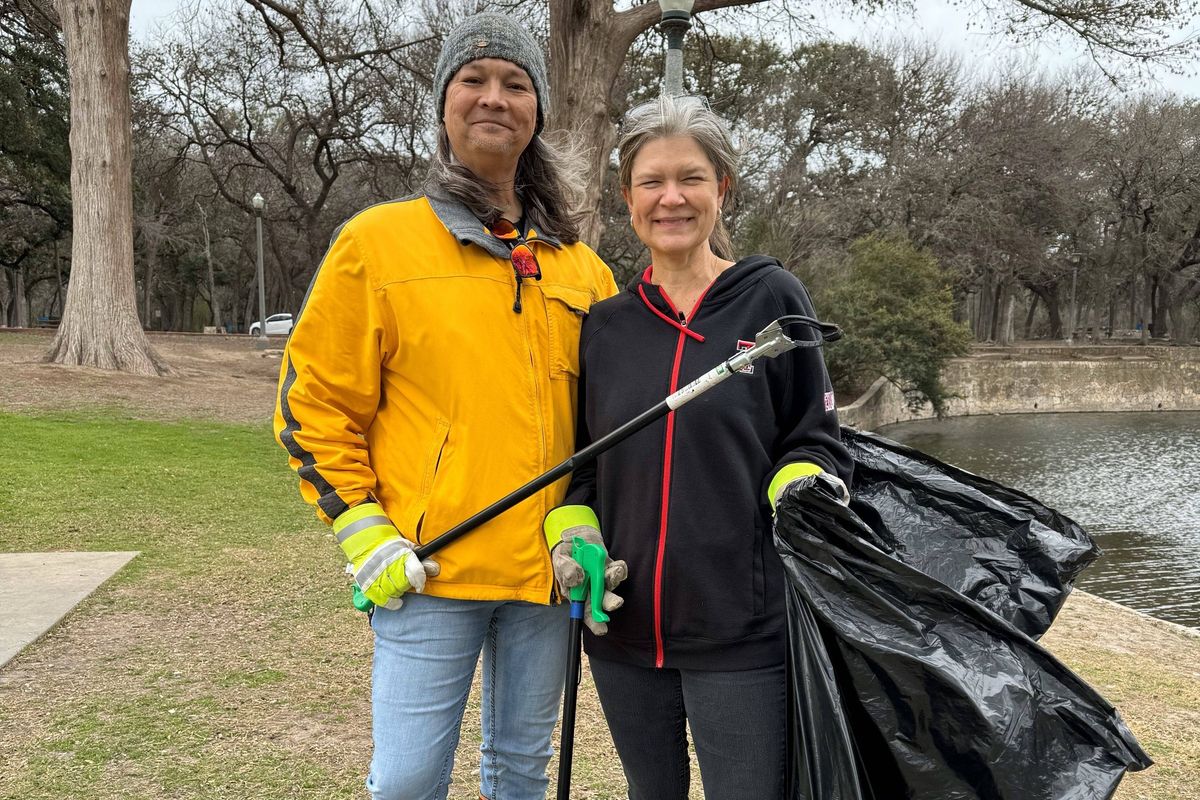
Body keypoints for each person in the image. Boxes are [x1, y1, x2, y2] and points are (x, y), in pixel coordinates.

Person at [273, 13, 620, 800]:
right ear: (442, 104)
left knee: (520, 776)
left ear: (538, 113)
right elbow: (314, 405)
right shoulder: (377, 245)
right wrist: (363, 531)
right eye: (474, 80)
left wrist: (585, 522)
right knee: (406, 782)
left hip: (544, 581)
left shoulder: (583, 272)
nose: (493, 98)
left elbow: (603, 433)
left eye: (516, 83)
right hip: (428, 572)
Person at [542, 95, 854, 800]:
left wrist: (800, 485)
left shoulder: (771, 298)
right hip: (622, 636)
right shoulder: (606, 328)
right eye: (651, 181)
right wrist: (574, 541)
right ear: (627, 197)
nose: (671, 198)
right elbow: (584, 472)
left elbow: (815, 440)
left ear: (723, 189)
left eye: (691, 178)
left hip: (742, 634)